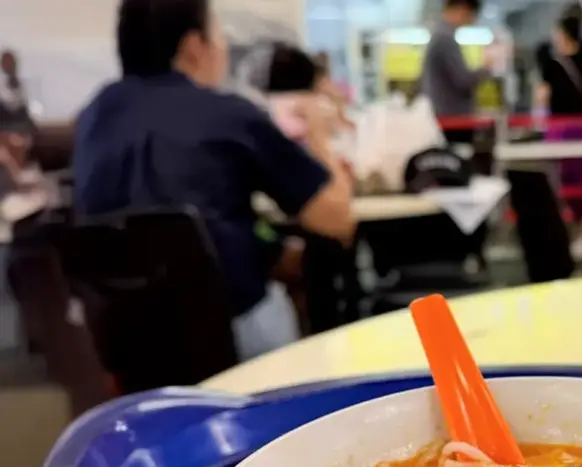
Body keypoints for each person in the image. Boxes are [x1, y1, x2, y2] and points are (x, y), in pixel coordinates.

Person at [74, 0, 354, 360]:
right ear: (194, 47)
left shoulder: (93, 116)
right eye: (219, 34)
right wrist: (318, 131)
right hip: (226, 333)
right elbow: (337, 220)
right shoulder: (229, 114)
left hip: (125, 342)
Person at [535, 4, 582, 224]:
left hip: (558, 125)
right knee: (581, 175)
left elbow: (542, 96)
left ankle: (558, 215)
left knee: (557, 173)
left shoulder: (550, 62)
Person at [420, 0, 492, 146]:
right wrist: (485, 68)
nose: (471, 20)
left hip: (441, 116)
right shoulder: (445, 39)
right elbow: (463, 79)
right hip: (452, 119)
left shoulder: (439, 36)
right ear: (462, 9)